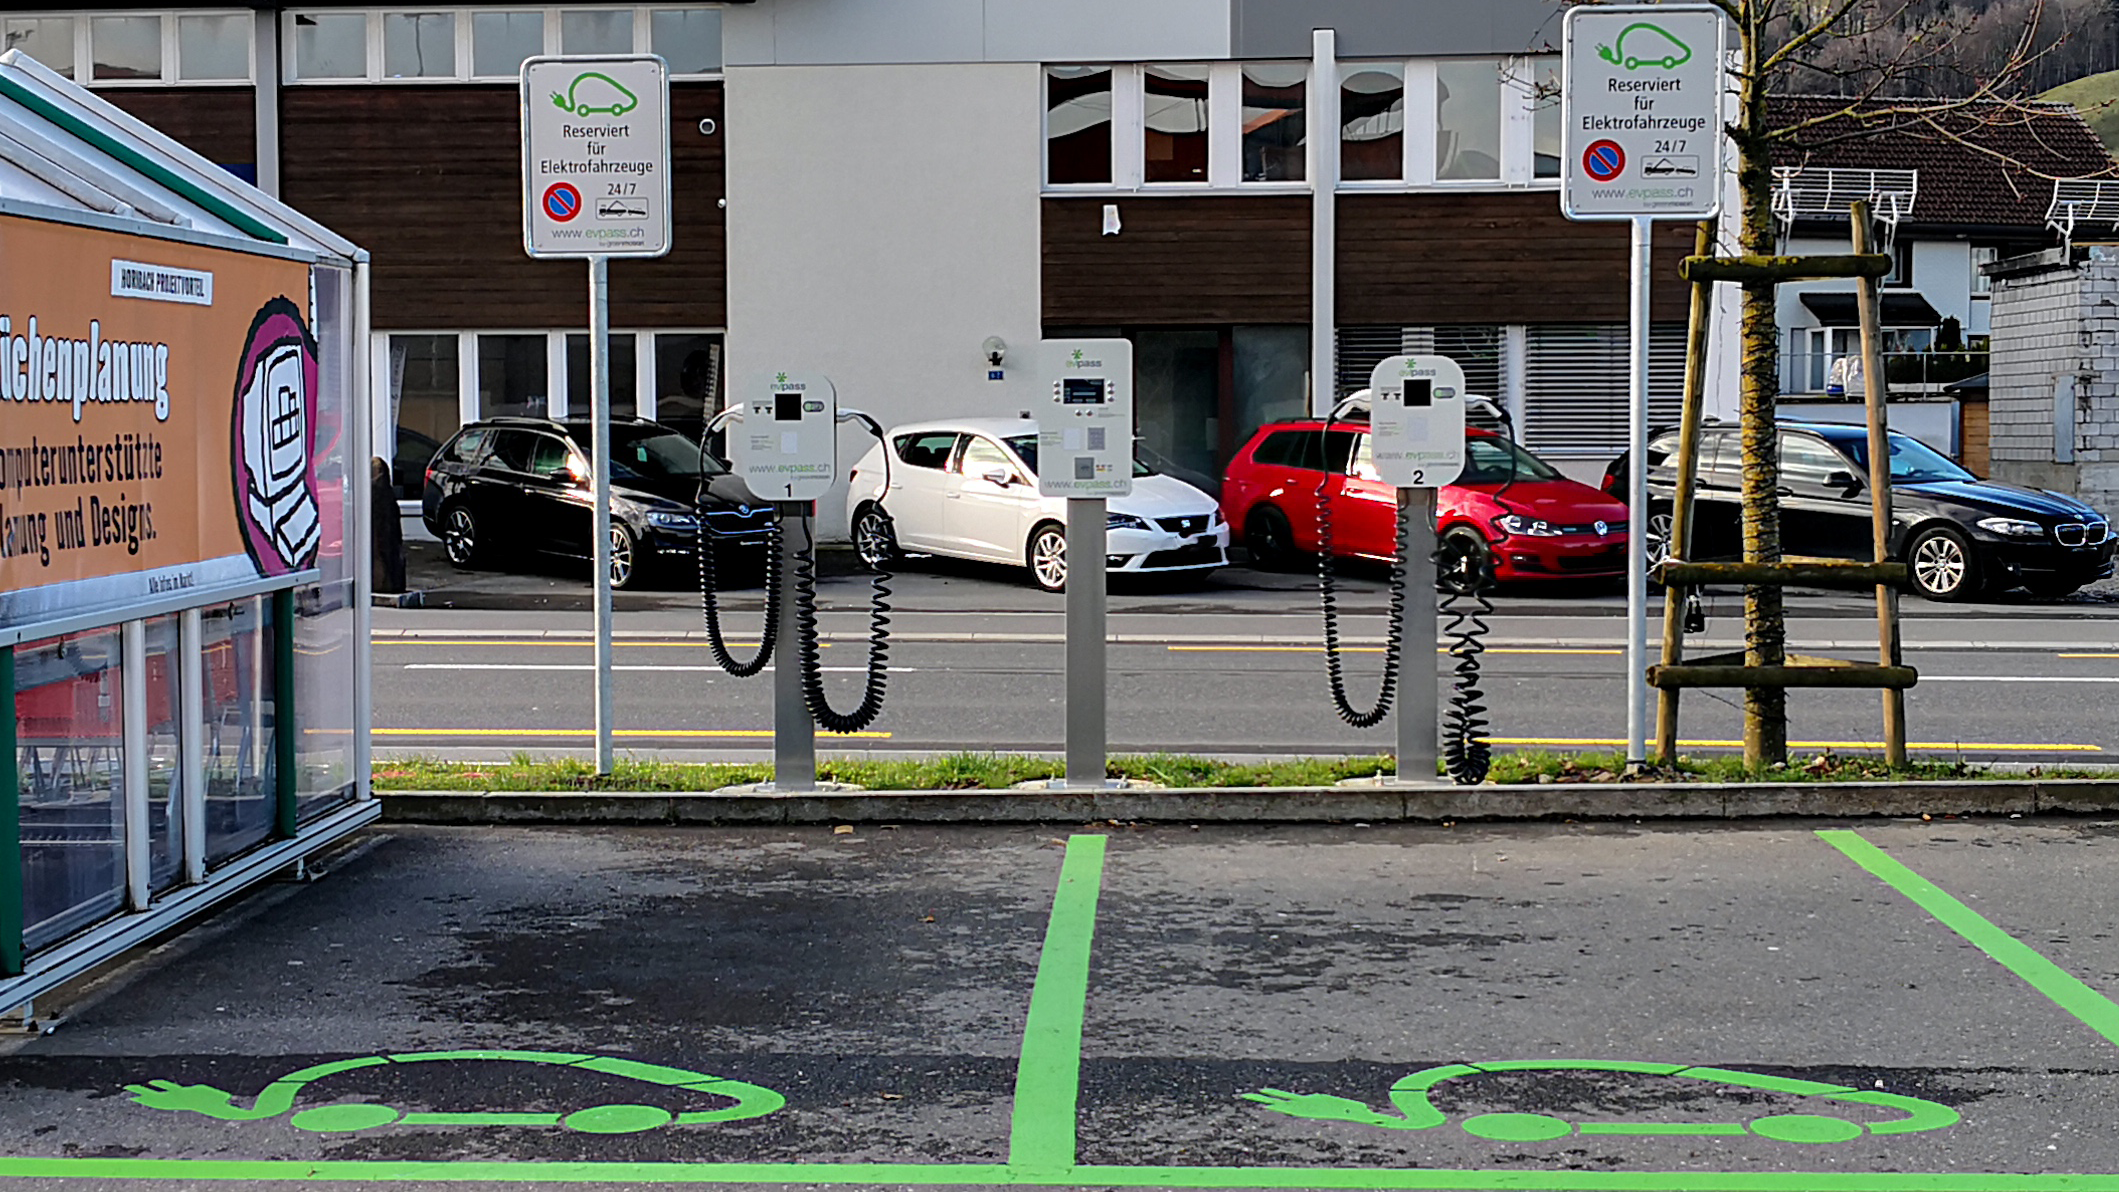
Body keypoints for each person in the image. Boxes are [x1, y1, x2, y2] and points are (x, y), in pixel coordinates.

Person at [371, 457, 406, 594]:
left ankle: (382, 584)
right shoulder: (386, 491)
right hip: (388, 534)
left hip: (381, 533)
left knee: (381, 557)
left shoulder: (375, 490)